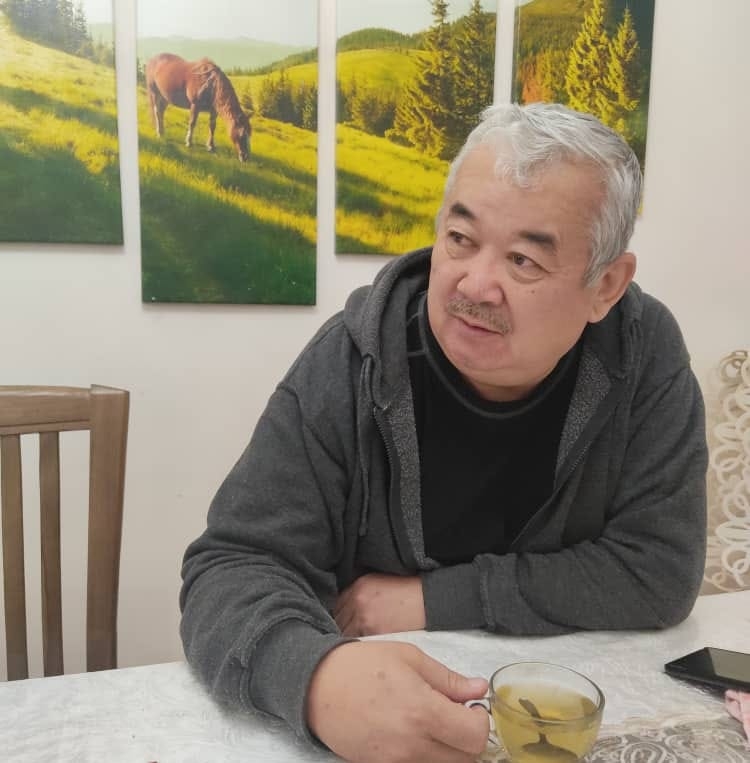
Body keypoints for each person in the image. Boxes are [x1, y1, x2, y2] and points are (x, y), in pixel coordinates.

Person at [180, 102, 708, 763]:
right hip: (368, 722)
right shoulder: (353, 360)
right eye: (460, 239)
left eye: (523, 260)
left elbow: (659, 568)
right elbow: (230, 567)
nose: (475, 285)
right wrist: (315, 679)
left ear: (605, 286)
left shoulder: (640, 357)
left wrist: (434, 599)